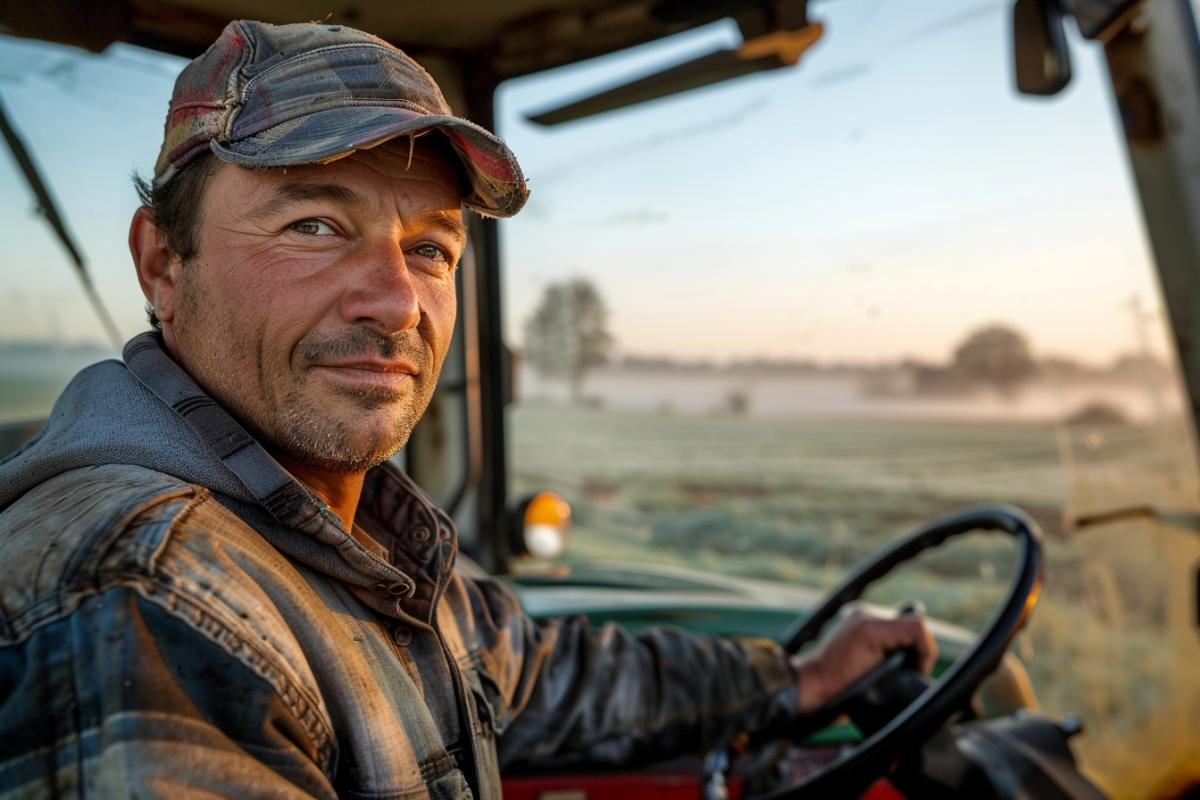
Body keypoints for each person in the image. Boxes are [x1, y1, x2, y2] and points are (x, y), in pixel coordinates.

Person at [0, 20, 934, 798]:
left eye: (431, 249)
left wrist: (802, 680)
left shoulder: (340, 536)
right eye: (314, 227)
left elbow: (531, 675)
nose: (397, 301)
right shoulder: (150, 604)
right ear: (163, 263)